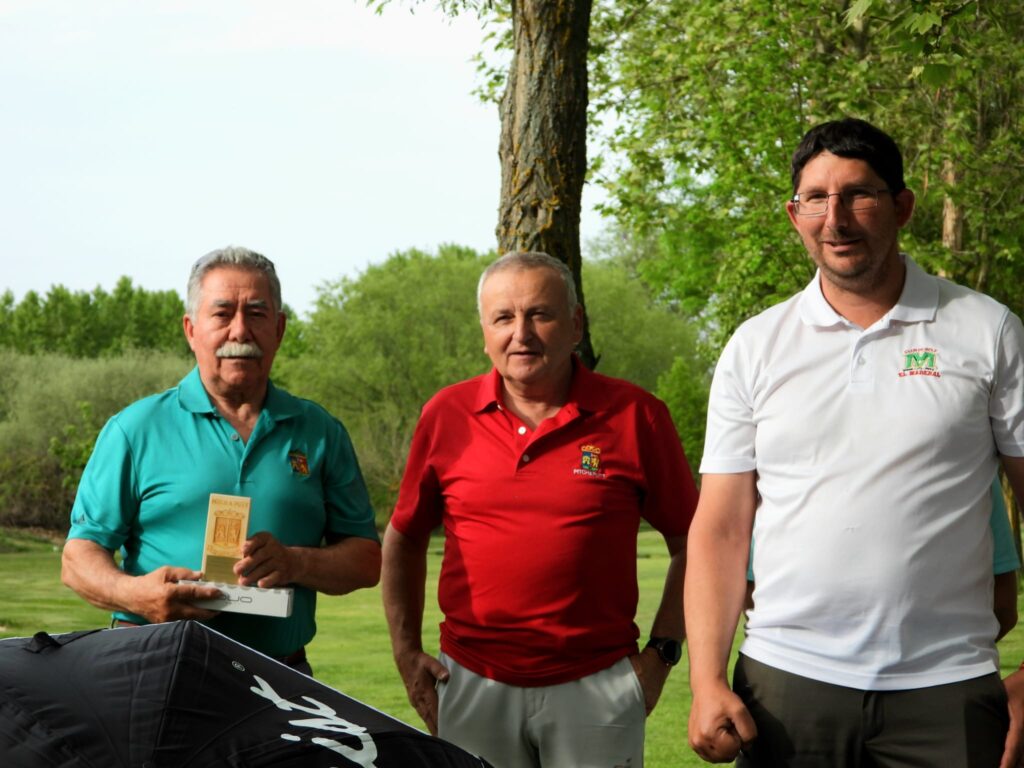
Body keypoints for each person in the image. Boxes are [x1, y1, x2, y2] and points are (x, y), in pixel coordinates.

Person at [685, 117, 1024, 767]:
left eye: (859, 195)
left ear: (903, 207)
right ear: (794, 215)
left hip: (947, 690)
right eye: (816, 198)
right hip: (786, 685)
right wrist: (705, 679)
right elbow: (721, 528)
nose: (835, 219)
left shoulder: (989, 332)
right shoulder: (754, 347)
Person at [382, 251, 699, 767]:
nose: (521, 334)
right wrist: (405, 652)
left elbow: (695, 544)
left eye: (539, 314)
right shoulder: (446, 414)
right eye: (503, 318)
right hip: (473, 681)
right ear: (484, 332)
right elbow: (404, 537)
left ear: (576, 324)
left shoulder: (636, 415)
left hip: (598, 685)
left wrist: (661, 654)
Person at [62, 246, 381, 675]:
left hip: (278, 678)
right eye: (222, 313)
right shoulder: (135, 429)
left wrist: (295, 562)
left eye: (256, 314)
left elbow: (365, 560)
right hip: (151, 666)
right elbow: (78, 558)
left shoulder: (320, 431)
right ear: (191, 329)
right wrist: (138, 595)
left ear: (279, 329)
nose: (240, 330)